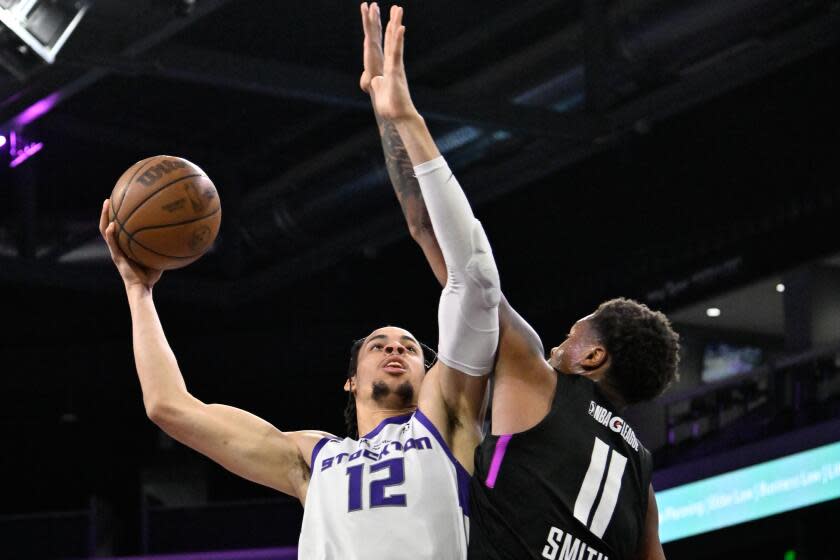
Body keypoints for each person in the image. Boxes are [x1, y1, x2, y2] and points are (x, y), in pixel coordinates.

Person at [360, 4, 679, 559]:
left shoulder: (537, 375)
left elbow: (436, 238)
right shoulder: (641, 480)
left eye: (574, 335)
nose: (559, 342)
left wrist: (396, 115)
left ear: (595, 356)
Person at [97, 151, 500, 560]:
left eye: (410, 347)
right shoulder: (313, 457)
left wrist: (404, 122)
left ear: (429, 375)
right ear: (351, 380)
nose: (395, 347)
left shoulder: (448, 427)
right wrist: (139, 292)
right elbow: (169, 406)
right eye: (378, 344)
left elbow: (471, 286)